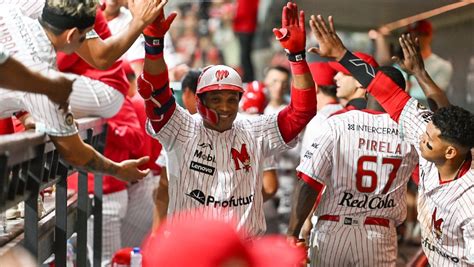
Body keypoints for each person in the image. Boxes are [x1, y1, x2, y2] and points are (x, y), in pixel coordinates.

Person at [138, 2, 316, 237]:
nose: (225, 107)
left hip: (242, 249)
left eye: (231, 99)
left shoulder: (254, 128)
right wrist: (154, 45)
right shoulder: (181, 127)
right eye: (216, 98)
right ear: (200, 100)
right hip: (193, 248)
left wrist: (296, 56)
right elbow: (158, 92)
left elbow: (302, 111)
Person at [310, 14, 474, 265]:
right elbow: (385, 91)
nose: (421, 138)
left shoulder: (469, 201)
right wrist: (343, 55)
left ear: (450, 153)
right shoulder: (433, 142)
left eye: (429, 139)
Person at [0, 2, 149, 184]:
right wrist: (118, 170)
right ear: (71, 35)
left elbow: (9, 64)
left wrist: (24, 114)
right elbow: (76, 154)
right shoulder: (47, 84)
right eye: (85, 36)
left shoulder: (9, 10)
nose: (85, 40)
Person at [289, 63, 418, 267]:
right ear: (402, 94)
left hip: (332, 230)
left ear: (367, 88)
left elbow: (309, 182)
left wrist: (293, 232)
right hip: (379, 233)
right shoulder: (412, 133)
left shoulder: (338, 122)